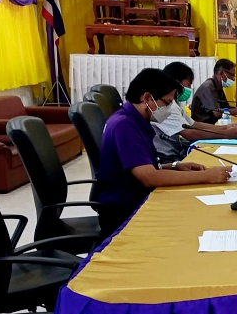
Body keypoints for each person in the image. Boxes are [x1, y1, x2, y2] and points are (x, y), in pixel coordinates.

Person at [96, 68, 230, 238]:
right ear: (146, 98)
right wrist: (207, 176)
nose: (168, 109)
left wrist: (174, 166)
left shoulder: (135, 119)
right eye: (166, 103)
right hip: (123, 212)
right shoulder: (124, 125)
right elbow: (149, 177)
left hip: (137, 198)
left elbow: (141, 167)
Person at [151, 62, 237, 164]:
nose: (189, 89)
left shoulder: (173, 103)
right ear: (176, 82)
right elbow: (189, 133)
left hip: (176, 152)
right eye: (188, 85)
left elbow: (193, 124)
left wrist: (226, 128)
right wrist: (226, 134)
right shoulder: (165, 106)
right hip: (167, 158)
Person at [190, 58, 237, 124]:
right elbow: (217, 112)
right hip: (202, 126)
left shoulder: (218, 86)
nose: (233, 79)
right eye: (232, 75)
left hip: (212, 124)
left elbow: (226, 107)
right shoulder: (208, 87)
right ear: (222, 73)